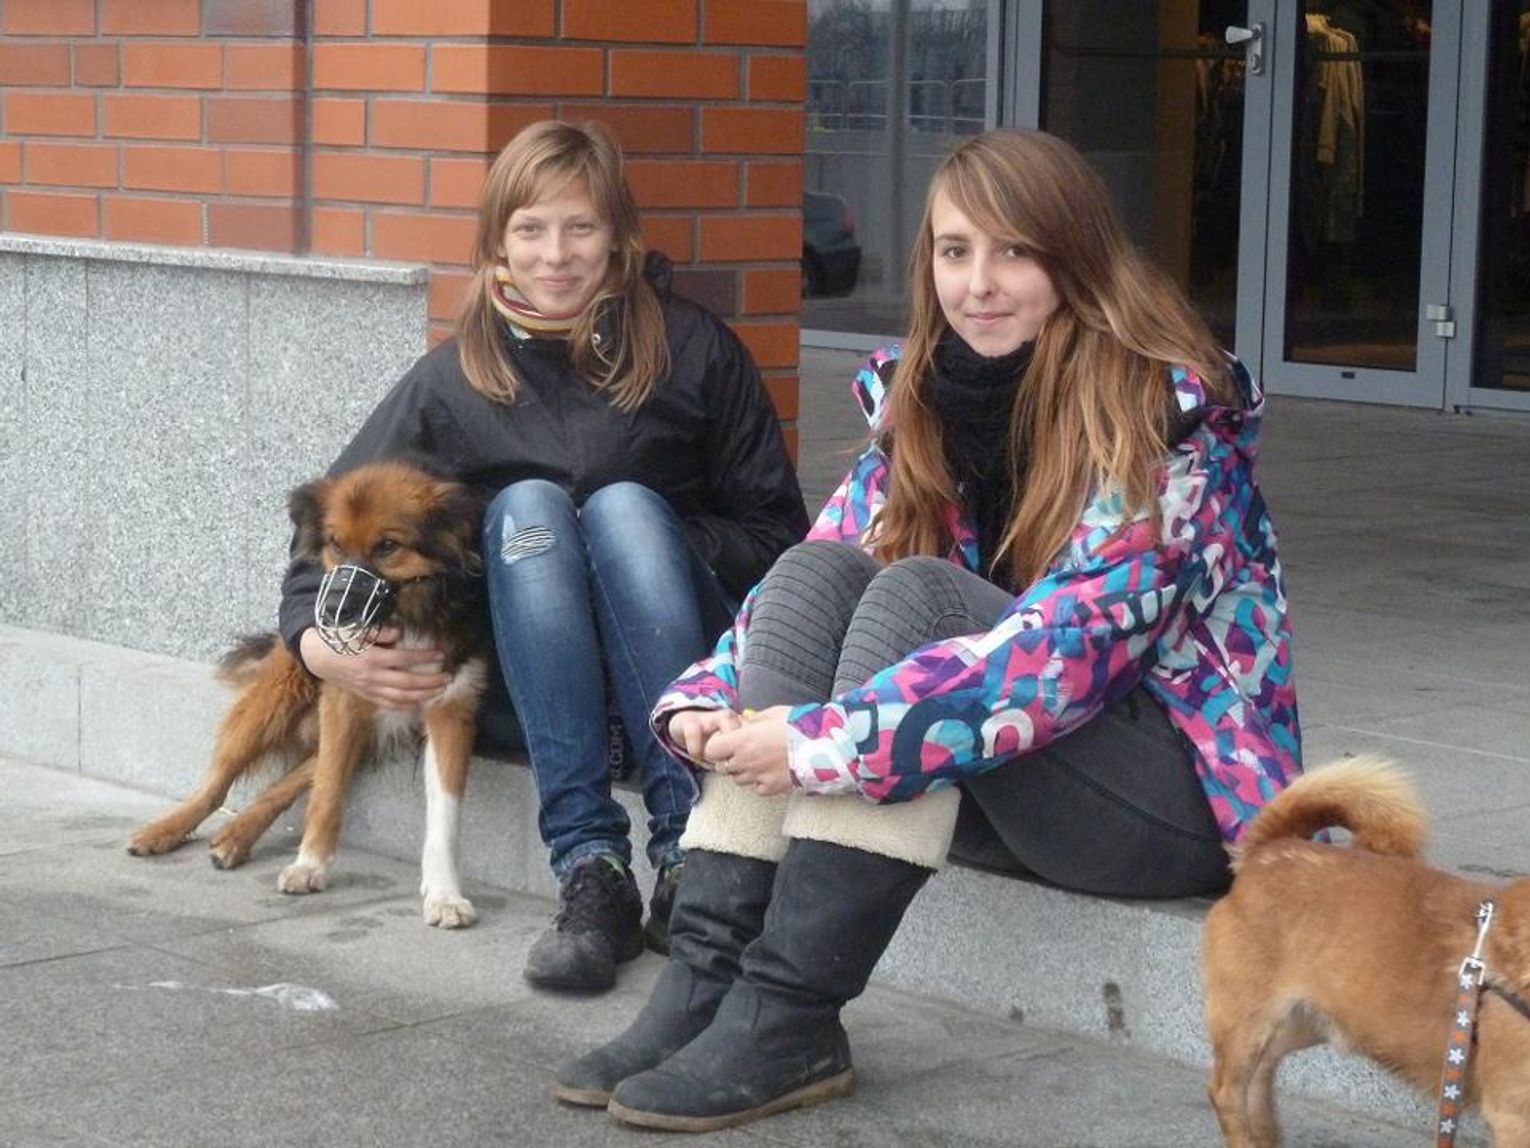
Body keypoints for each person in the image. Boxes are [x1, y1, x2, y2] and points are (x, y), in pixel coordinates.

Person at [555, 128, 1301, 1130]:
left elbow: (1060, 659)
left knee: (921, 598)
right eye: (955, 251)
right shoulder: (929, 397)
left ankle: (790, 1013)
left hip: (1159, 804)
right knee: (822, 570)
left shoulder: (1169, 427)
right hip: (994, 767)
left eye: (1013, 252)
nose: (978, 284)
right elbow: (812, 568)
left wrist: (817, 742)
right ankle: (706, 978)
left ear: (1075, 259)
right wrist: (707, 699)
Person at [278, 119, 808, 993]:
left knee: (625, 510)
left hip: (685, 679)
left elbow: (780, 537)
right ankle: (591, 868)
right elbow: (329, 537)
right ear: (497, 242)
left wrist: (639, 543)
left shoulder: (695, 350)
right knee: (527, 510)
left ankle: (690, 852)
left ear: (619, 236)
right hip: (533, 691)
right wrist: (319, 644)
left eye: (579, 228)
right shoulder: (451, 380)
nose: (555, 256)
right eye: (530, 229)